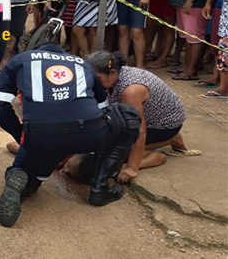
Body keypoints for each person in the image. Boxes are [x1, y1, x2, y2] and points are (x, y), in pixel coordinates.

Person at [0, 40, 141, 227]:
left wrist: (22, 136)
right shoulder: (82, 63)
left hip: (40, 134)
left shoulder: (19, 60)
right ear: (62, 53)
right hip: (87, 131)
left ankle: (25, 181)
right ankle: (103, 189)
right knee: (126, 117)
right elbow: (103, 108)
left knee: (30, 169)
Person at [66, 52, 197, 184]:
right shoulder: (114, 77)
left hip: (163, 126)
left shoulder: (130, 91)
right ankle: (165, 141)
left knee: (115, 150)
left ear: (112, 73)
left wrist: (131, 168)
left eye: (97, 78)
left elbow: (139, 130)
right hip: (150, 118)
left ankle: (162, 146)